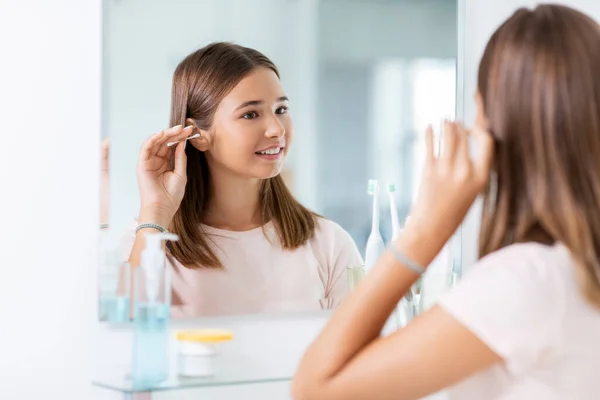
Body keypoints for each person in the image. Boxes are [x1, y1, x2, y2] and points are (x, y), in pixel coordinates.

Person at [292, 4, 600, 400]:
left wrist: (425, 228)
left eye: (477, 108)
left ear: (491, 123)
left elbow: (315, 389)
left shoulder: (526, 280)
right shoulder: (571, 268)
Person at [126, 42, 362, 318]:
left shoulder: (329, 244)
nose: (276, 129)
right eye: (250, 114)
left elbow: (359, 352)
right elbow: (120, 340)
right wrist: (155, 212)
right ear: (198, 134)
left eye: (281, 110)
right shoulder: (146, 242)